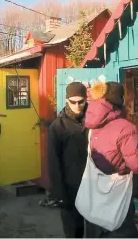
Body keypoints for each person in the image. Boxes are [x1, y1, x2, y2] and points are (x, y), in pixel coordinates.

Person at [84, 81, 138, 238]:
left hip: (97, 190)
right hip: (119, 192)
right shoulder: (126, 128)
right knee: (123, 230)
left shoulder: (92, 124)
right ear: (120, 99)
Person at [47, 82, 88, 238]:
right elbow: (53, 162)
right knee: (73, 231)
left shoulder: (94, 120)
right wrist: (59, 193)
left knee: (95, 230)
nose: (77, 105)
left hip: (93, 185)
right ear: (66, 100)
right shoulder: (58, 126)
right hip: (70, 188)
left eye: (80, 101)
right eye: (73, 101)